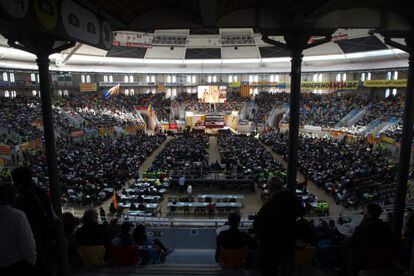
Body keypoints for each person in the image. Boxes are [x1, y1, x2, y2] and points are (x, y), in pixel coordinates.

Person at [12, 166, 56, 276]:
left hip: (34, 238)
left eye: (14, 180)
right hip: (44, 236)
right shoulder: (39, 192)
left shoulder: (23, 199)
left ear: (17, 182)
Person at [253, 176, 300, 276]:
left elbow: (256, 226)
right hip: (288, 243)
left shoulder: (269, 206)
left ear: (269, 189)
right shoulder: (291, 201)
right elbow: (300, 211)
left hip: (271, 247)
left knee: (270, 270)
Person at [0, 183, 36, 275]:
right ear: (12, 197)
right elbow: (27, 242)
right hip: (16, 265)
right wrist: (31, 261)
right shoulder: (17, 215)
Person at [349, 203, 396, 273]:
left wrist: (362, 221)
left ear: (369, 213)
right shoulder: (386, 227)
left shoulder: (363, 227)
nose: (363, 213)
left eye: (365, 211)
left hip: (367, 260)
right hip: (383, 258)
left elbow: (352, 243)